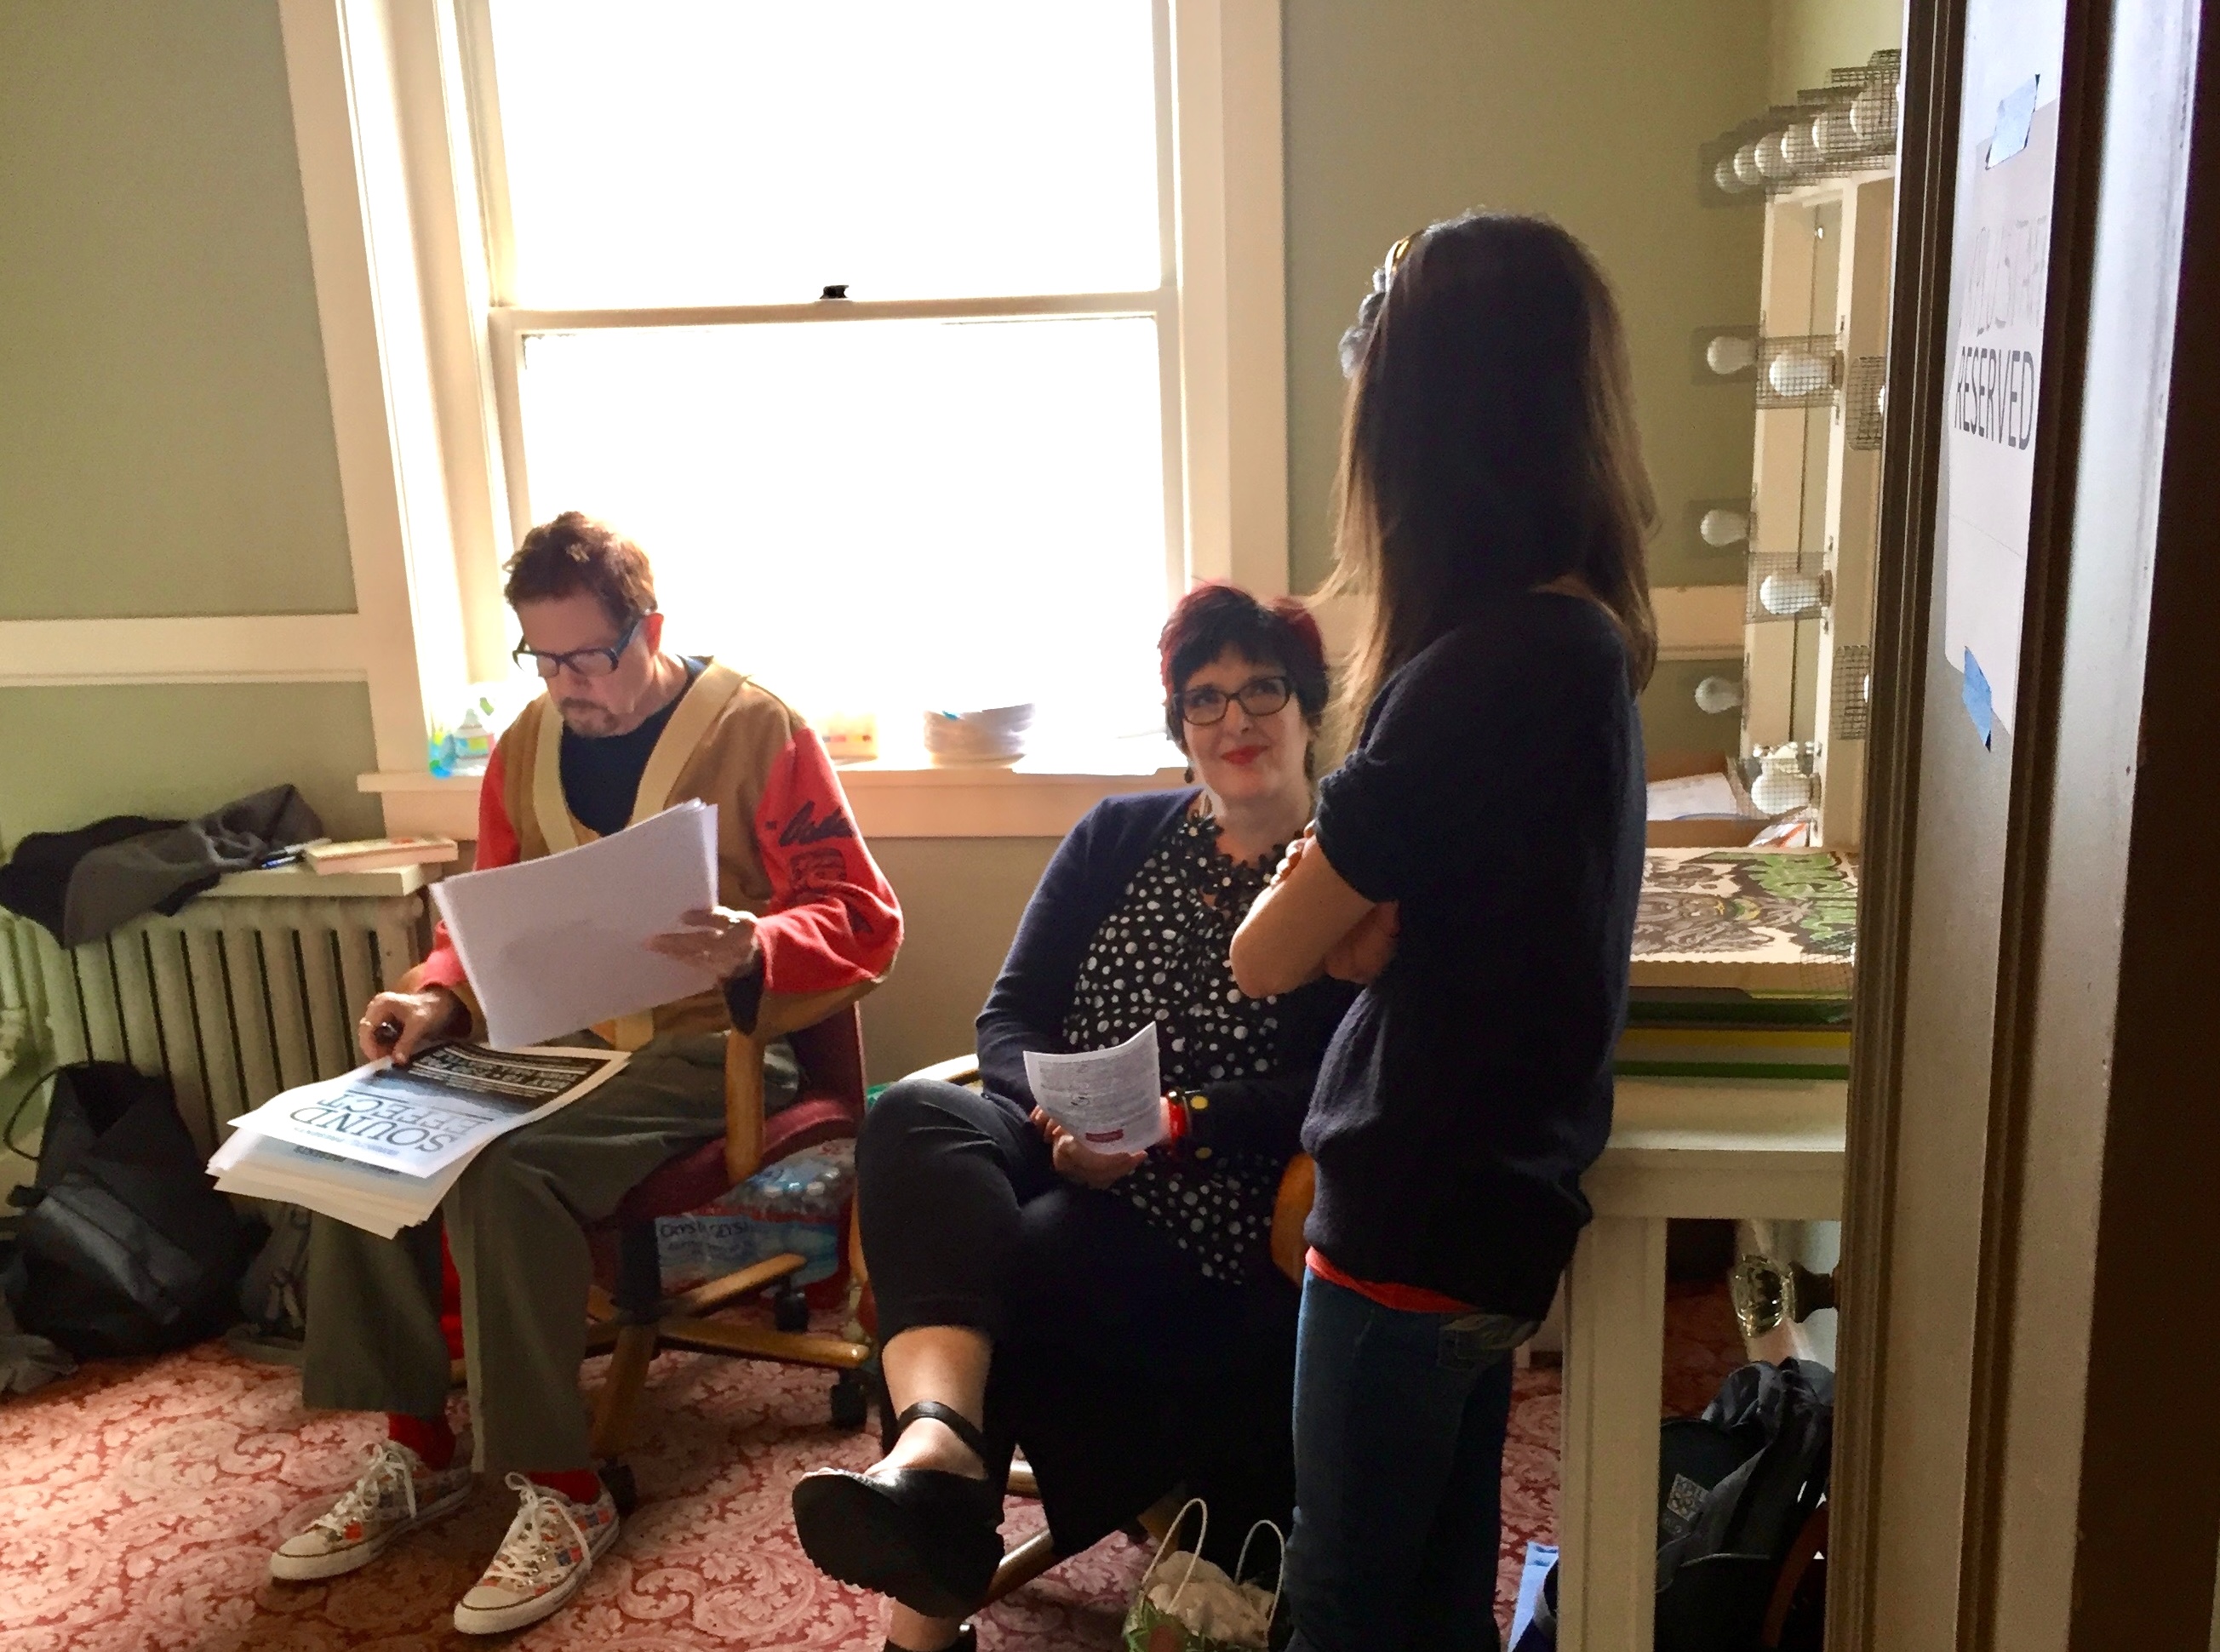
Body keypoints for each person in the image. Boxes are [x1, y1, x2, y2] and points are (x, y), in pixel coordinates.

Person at [270, 512, 901, 1637]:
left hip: (710, 1047)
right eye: (544, 659)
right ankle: (418, 1447)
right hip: (556, 1042)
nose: (569, 685)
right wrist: (437, 999)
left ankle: (566, 1490)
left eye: (591, 658)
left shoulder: (760, 730)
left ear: (648, 630)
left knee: (507, 1174)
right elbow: (482, 925)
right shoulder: (525, 746)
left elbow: (862, 914)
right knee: (368, 1133)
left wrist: (757, 941)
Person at [1230, 213, 1656, 1652]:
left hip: (1404, 1216)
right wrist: (1362, 920)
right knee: (1438, 1598)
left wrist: (1333, 907)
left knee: (1344, 1605)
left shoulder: (1471, 670)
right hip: (1498, 1212)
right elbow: (1426, 915)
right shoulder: (1579, 638)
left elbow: (1267, 954)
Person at [791, 585, 1357, 1652]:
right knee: (913, 1114)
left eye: (1262, 691)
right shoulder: (1116, 834)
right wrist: (1055, 1115)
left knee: (1007, 1259)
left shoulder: (1341, 876)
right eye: (1204, 699)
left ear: (1308, 708)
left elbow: (1331, 1079)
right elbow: (1009, 1016)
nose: (1234, 721)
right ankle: (937, 1441)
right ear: (1178, 724)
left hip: (1215, 1189)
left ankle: (925, 1589)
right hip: (1053, 1135)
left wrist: (1170, 1123)